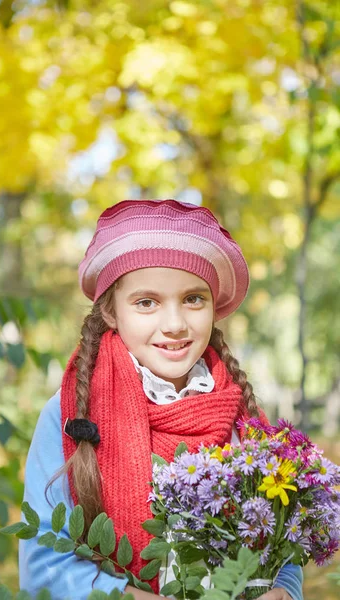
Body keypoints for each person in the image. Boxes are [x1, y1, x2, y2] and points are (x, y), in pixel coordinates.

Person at [19, 199, 303, 600]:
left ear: (213, 307)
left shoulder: (245, 416)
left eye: (193, 299)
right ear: (111, 312)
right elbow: (43, 567)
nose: (174, 324)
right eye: (146, 302)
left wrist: (286, 592)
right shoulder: (70, 415)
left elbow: (282, 547)